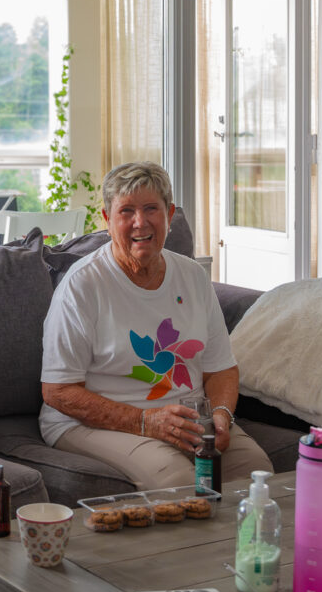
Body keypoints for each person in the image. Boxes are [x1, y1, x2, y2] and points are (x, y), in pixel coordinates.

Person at [40, 161, 272, 490]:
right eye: (126, 211)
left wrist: (220, 415)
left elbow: (220, 368)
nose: (140, 222)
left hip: (186, 419)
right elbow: (57, 391)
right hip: (89, 423)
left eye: (151, 208)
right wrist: (147, 421)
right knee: (177, 484)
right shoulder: (83, 285)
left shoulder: (192, 277)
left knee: (257, 476)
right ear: (107, 219)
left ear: (169, 214)